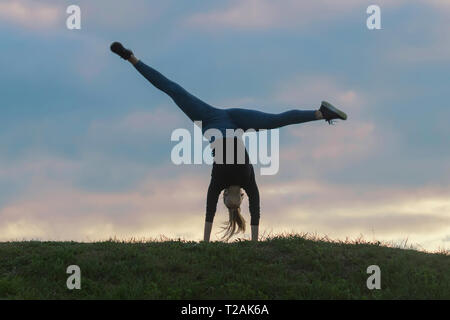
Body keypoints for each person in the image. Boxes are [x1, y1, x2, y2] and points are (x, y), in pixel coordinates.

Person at [110, 42, 347, 242]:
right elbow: (256, 212)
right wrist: (255, 244)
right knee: (275, 121)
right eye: (236, 201)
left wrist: (205, 243)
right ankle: (321, 113)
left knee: (173, 90)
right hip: (237, 122)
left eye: (227, 201)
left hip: (208, 119)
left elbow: (209, 212)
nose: (231, 200)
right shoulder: (248, 183)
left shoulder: (218, 181)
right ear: (240, 197)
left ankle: (130, 57)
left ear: (224, 196)